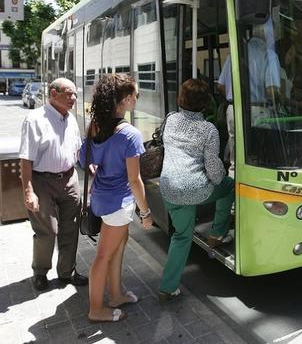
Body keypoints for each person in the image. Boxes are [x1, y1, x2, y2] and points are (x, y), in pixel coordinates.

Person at [80, 74, 153, 322]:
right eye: (134, 94)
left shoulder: (96, 125)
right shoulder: (130, 134)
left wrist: (95, 166)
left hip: (100, 198)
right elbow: (135, 180)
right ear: (124, 99)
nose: (136, 98)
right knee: (103, 256)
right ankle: (96, 309)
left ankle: (117, 294)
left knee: (117, 249)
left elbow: (84, 159)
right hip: (117, 204)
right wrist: (146, 213)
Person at [159, 79, 235, 302]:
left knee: (182, 236)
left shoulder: (171, 120)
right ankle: (217, 233)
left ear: (180, 99)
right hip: (196, 189)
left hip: (169, 187)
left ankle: (167, 287)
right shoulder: (208, 129)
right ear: (206, 104)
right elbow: (214, 170)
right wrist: (222, 179)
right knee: (229, 186)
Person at [19, 78, 87, 291]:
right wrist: (28, 191)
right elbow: (26, 160)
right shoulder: (35, 120)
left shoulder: (71, 120)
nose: (73, 98)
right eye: (69, 94)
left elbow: (77, 149)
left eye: (75, 94)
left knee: (71, 227)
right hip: (42, 181)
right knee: (47, 230)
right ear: (53, 94)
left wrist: (88, 166)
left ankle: (67, 272)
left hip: (69, 178)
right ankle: (40, 271)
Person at [217, 54, 234, 178]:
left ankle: (232, 174)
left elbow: (220, 86)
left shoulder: (230, 57)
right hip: (259, 108)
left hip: (232, 107)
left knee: (233, 140)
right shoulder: (267, 54)